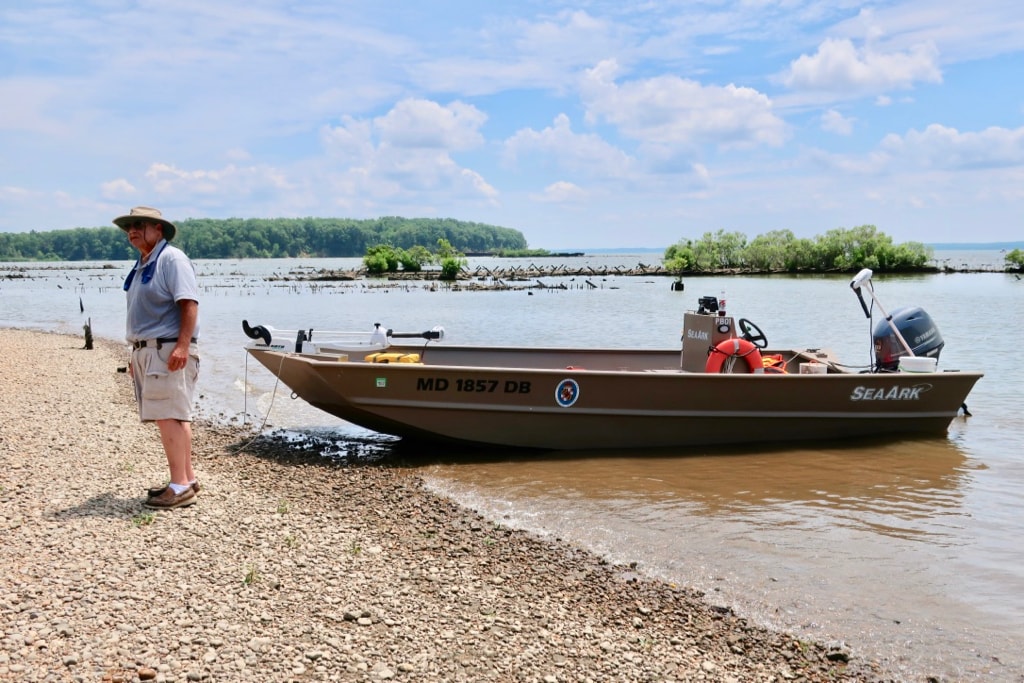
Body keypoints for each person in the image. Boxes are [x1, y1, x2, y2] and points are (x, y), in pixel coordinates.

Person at [114, 206, 201, 509]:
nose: (132, 231)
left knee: (168, 416)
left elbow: (189, 304)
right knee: (174, 415)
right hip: (151, 350)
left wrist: (182, 346)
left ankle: (178, 487)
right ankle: (186, 479)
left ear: (158, 229)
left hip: (166, 350)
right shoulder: (144, 262)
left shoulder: (171, 259)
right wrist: (136, 354)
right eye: (129, 227)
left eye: (139, 225)